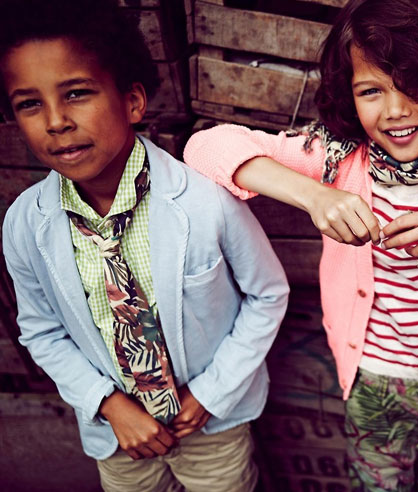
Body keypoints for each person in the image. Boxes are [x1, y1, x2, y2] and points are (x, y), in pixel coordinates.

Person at [182, 0, 418, 489]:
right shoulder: (339, 158)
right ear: (349, 93)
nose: (396, 111)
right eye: (371, 91)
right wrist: (315, 196)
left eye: (416, 86)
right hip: (372, 381)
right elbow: (204, 147)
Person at [0, 0, 290, 490]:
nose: (55, 121)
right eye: (30, 103)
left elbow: (268, 295)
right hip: (118, 436)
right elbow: (41, 330)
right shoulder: (25, 225)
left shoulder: (205, 201)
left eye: (76, 94)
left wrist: (211, 393)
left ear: (133, 101)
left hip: (211, 425)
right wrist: (108, 405)